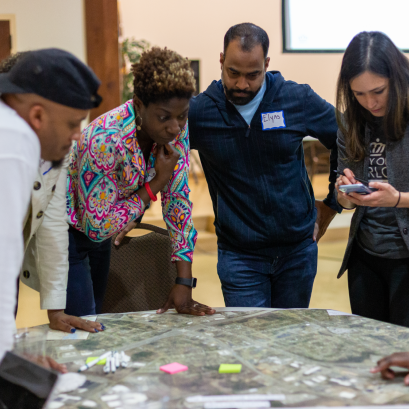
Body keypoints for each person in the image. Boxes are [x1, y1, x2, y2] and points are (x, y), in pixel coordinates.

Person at [189, 23, 341, 309]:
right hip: (240, 257)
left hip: (298, 252)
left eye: (253, 75)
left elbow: (347, 138)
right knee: (251, 345)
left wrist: (333, 203)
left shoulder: (296, 99)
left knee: (289, 341)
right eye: (233, 73)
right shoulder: (201, 112)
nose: (242, 84)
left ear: (267, 64)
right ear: (221, 61)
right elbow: (157, 148)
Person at [66, 47, 215, 317]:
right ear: (138, 105)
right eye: (164, 117)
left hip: (103, 230)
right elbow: (96, 228)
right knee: (81, 325)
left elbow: (178, 199)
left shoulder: (175, 129)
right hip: (69, 234)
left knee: (98, 319)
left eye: (182, 115)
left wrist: (184, 281)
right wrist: (156, 183)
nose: (175, 128)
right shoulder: (105, 140)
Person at [0, 48, 102, 369]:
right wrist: (10, 364)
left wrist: (56, 307)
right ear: (38, 115)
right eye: (73, 124)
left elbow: (53, 222)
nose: (78, 136)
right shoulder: (13, 139)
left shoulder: (45, 142)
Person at [335, 31, 409, 327]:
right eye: (359, 94)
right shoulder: (350, 121)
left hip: (404, 258)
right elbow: (344, 197)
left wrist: (399, 200)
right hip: (365, 257)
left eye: (378, 91)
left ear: (397, 79)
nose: (370, 102)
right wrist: (344, 194)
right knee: (371, 347)